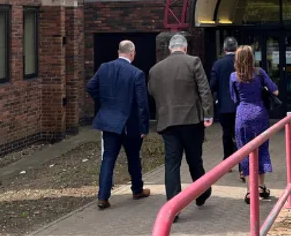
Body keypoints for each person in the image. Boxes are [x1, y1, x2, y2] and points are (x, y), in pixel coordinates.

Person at [148, 34, 215, 215]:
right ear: (185, 48)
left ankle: (173, 208)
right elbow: (204, 89)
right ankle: (202, 192)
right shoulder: (193, 62)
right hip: (191, 120)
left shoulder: (155, 69)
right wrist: (208, 114)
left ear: (170, 48)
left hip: (167, 121)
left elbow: (152, 92)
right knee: (195, 159)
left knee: (171, 163)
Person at [86, 40, 151, 209]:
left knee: (108, 159)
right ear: (132, 53)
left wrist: (104, 103)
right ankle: (137, 189)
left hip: (108, 122)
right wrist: (144, 127)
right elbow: (142, 103)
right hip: (130, 123)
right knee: (133, 157)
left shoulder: (104, 68)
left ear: (118, 52)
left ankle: (103, 197)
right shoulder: (136, 74)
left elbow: (91, 86)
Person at [230, 45, 279, 204]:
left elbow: (234, 98)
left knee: (245, 150)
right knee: (261, 148)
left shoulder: (233, 76)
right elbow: (275, 91)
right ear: (252, 58)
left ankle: (249, 191)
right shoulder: (260, 73)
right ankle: (261, 186)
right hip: (260, 114)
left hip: (242, 114)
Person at [209, 37, 239, 165]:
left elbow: (213, 85)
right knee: (239, 133)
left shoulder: (218, 64)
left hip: (224, 105)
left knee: (226, 133)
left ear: (224, 49)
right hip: (239, 104)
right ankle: (241, 162)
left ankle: (227, 159)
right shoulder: (240, 62)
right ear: (236, 48)